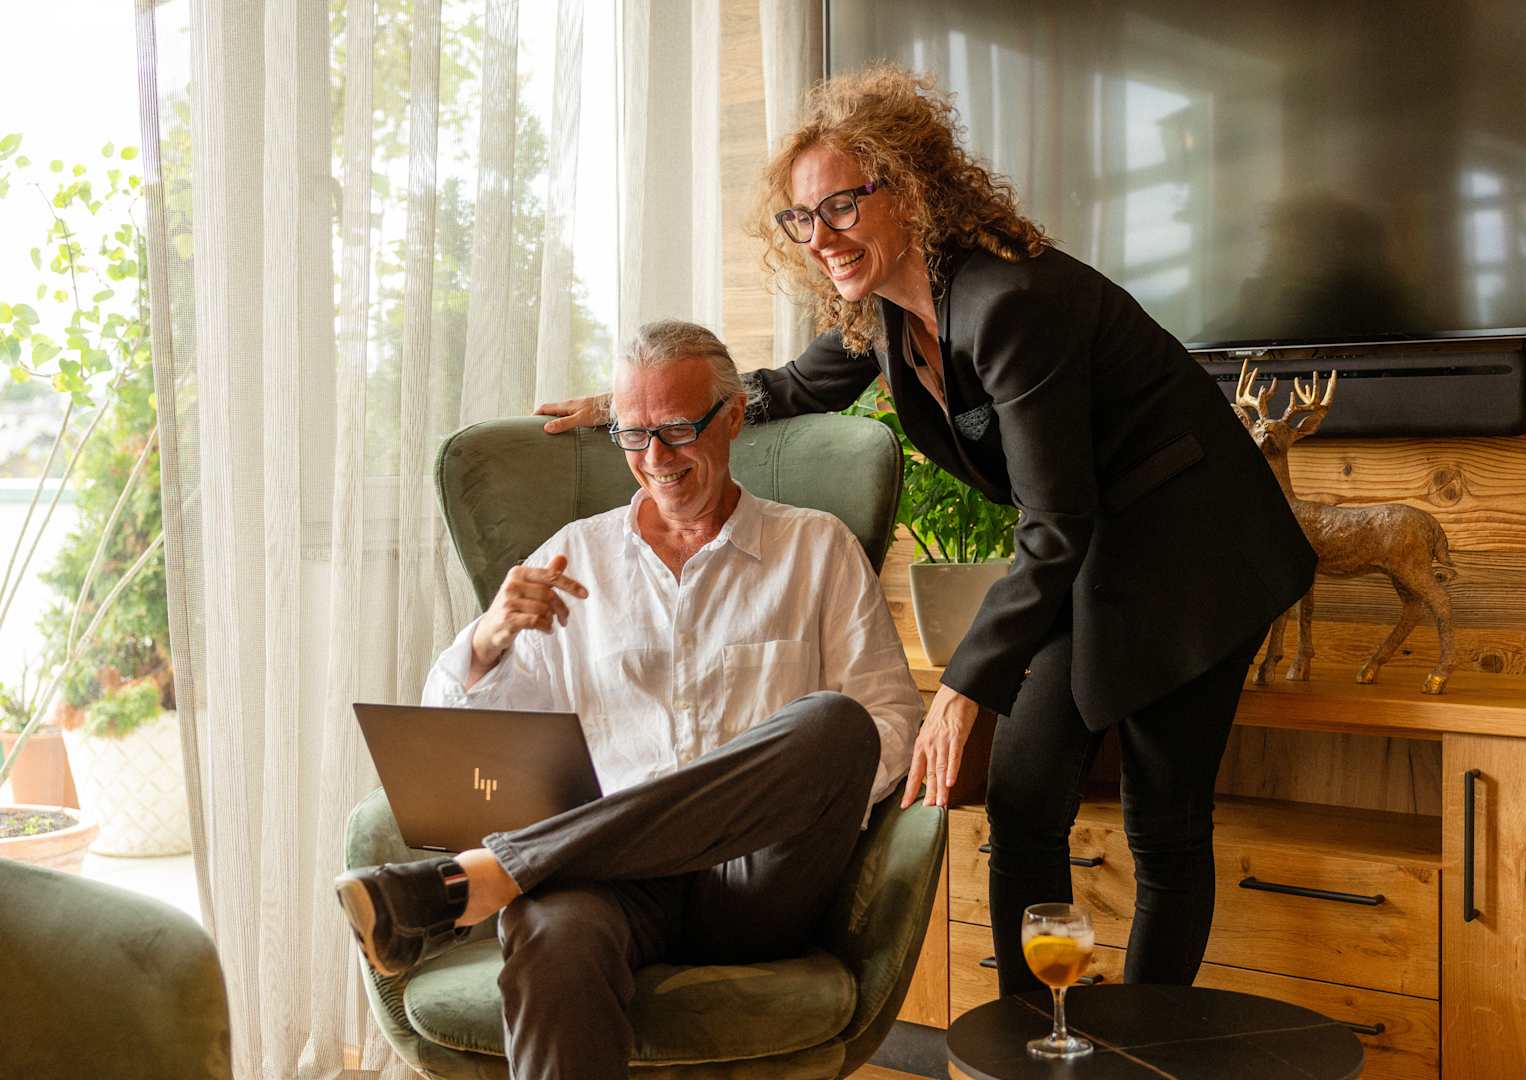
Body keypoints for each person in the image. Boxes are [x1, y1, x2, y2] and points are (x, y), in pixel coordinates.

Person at [537, 67, 1317, 996]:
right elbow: (788, 387)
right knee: (1024, 804)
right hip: (1090, 558)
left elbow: (1054, 520)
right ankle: (1036, 1038)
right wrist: (640, 416)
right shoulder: (887, 313)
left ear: (907, 190)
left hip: (1197, 552)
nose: (821, 237)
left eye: (842, 205)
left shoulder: (1008, 302)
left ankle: (1149, 1041)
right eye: (802, 217)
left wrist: (960, 689)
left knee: (1164, 822)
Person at [336, 320, 922, 1079]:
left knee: (836, 725)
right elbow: (458, 753)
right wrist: (488, 638)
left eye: (676, 430)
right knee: (552, 928)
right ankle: (515, 872)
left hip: (759, 883)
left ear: (733, 417)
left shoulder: (816, 548)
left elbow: (891, 725)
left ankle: (495, 873)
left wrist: (759, 794)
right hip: (606, 884)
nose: (655, 459)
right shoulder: (572, 558)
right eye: (633, 435)